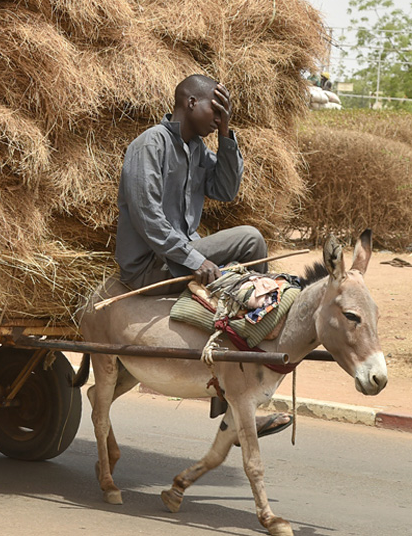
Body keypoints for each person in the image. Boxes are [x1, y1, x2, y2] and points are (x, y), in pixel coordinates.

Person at [115, 73, 291, 438]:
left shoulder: (197, 150)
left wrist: (226, 134)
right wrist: (198, 261)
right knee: (251, 240)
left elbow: (226, 189)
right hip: (150, 266)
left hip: (177, 256)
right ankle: (240, 391)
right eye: (217, 106)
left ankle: (237, 386)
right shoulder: (149, 145)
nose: (220, 114)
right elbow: (149, 220)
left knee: (250, 243)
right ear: (191, 103)